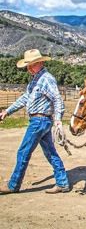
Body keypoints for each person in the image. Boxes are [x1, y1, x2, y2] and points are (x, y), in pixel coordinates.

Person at [0, 49, 70, 195]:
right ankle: (62, 182)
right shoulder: (36, 79)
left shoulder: (46, 79)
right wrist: (7, 112)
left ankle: (13, 185)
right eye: (28, 65)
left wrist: (58, 119)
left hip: (39, 120)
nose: (29, 68)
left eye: (32, 64)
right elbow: (25, 98)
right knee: (50, 152)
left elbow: (57, 100)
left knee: (23, 152)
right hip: (41, 120)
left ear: (40, 62)